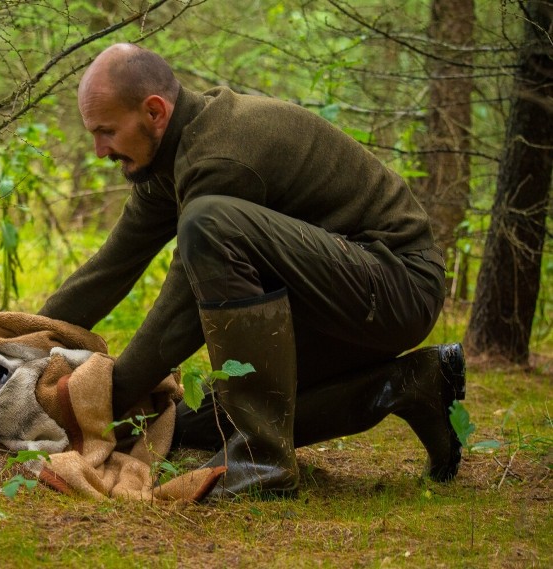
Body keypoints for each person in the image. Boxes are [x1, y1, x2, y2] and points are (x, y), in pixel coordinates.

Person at [38, 43, 466, 498]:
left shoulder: (220, 157)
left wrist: (100, 400)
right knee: (188, 427)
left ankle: (264, 462)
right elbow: (111, 267)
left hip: (397, 284)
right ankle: (411, 384)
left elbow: (179, 315)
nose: (99, 150)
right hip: (336, 300)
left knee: (209, 223)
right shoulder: (166, 160)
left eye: (106, 131)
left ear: (155, 111)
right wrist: (25, 344)